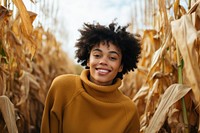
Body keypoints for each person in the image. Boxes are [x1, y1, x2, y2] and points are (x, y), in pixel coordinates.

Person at [41, 22, 141, 133]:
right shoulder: (63, 87)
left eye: (112, 58)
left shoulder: (129, 111)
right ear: (88, 60)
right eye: (97, 55)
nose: (103, 61)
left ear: (121, 66)